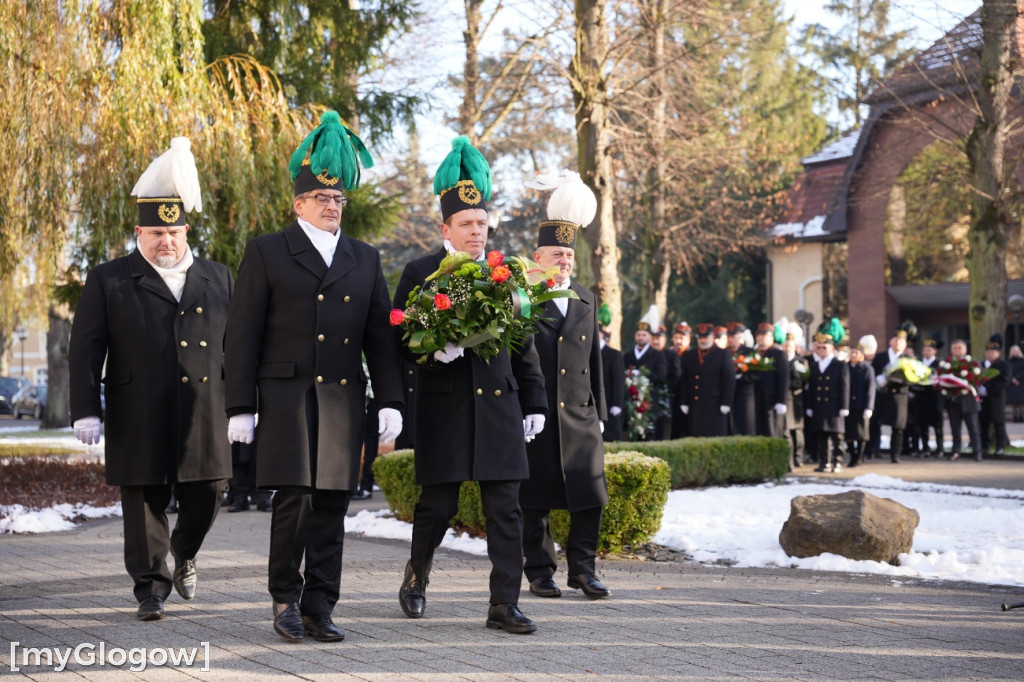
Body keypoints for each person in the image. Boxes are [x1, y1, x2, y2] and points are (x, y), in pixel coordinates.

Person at [225, 112, 404, 643]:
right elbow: (242, 333)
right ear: (298, 203)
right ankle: (285, 598)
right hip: (287, 396)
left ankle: (321, 605)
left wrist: (390, 399)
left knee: (332, 503)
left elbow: (381, 337)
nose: (331, 206)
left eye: (338, 199)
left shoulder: (364, 258)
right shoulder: (267, 251)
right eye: (321, 199)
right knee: (296, 500)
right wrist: (240, 405)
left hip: (344, 400)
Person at [69, 138, 232, 621]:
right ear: (139, 232)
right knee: (144, 500)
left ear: (186, 230)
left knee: (211, 492)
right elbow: (84, 349)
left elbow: (240, 347)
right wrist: (84, 409)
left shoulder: (219, 277)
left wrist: (247, 402)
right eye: (155, 232)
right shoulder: (109, 279)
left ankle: (185, 551)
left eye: (174, 231)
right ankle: (150, 588)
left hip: (206, 407)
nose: (166, 241)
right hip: (137, 406)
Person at [393, 137, 547, 634]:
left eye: (482, 224)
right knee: (437, 507)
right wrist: (436, 352)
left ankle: (504, 604)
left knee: (506, 510)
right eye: (467, 224)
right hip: (446, 409)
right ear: (446, 228)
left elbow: (523, 343)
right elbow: (402, 339)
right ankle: (416, 578)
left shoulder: (505, 272)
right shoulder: (420, 272)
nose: (477, 231)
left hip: (500, 408)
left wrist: (535, 400)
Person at [518, 170, 610, 601]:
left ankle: (584, 570)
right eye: (556, 254)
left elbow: (595, 360)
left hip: (580, 412)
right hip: (537, 415)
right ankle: (539, 571)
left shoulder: (588, 298)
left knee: (589, 495)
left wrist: (602, 412)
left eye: (569, 255)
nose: (564, 261)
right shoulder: (521, 296)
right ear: (538, 257)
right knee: (535, 500)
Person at [678, 324, 736, 437]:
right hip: (695, 404)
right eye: (700, 337)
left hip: (715, 405)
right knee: (695, 435)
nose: (703, 340)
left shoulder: (723, 354)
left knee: (715, 436)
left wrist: (726, 402)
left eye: (706, 337)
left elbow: (729, 380)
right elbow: (683, 380)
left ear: (713, 337)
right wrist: (683, 401)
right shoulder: (689, 355)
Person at [806, 327, 850, 473]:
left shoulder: (839, 365)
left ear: (832, 348)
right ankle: (824, 462)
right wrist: (810, 405)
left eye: (825, 347)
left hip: (834, 406)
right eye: (819, 347)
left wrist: (844, 406)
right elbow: (812, 387)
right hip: (820, 405)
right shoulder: (814, 365)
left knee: (837, 436)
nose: (822, 349)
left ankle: (837, 461)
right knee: (822, 436)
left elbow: (844, 386)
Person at [871, 326, 910, 463]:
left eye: (901, 341)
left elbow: (913, 377)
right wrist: (879, 379)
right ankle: (871, 451)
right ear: (890, 341)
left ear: (905, 344)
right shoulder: (881, 357)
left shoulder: (908, 359)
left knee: (898, 427)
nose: (898, 343)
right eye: (896, 340)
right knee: (875, 424)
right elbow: (873, 373)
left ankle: (895, 454)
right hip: (882, 394)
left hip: (899, 396)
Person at [944, 339, 982, 461]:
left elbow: (977, 380)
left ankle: (977, 452)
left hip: (969, 401)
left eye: (959, 348)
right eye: (955, 348)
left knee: (973, 428)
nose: (957, 351)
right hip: (953, 401)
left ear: (965, 350)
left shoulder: (973, 363)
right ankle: (956, 451)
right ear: (951, 350)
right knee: (955, 428)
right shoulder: (947, 364)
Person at [753, 322, 789, 438]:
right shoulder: (753, 354)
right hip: (755, 397)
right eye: (758, 335)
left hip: (771, 399)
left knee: (772, 431)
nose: (760, 338)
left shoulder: (779, 354)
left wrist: (781, 401)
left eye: (763, 335)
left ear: (771, 338)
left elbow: (783, 379)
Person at [912, 334, 945, 456]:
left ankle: (940, 448)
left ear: (935, 351)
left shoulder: (939, 364)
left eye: (929, 350)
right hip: (920, 398)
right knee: (922, 425)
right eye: (925, 349)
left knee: (937, 425)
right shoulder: (918, 363)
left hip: (934, 398)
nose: (927, 351)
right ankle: (925, 448)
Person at [844, 342, 875, 468]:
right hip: (848, 405)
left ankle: (859, 457)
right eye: (852, 352)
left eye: (856, 353)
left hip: (861, 405)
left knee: (862, 434)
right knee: (849, 434)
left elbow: (870, 389)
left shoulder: (867, 368)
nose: (853, 355)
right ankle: (852, 456)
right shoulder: (845, 367)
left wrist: (869, 407)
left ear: (862, 355)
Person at [979, 334, 1009, 456]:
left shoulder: (1004, 365)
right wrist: (980, 387)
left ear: (998, 353)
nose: (990, 354)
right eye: (988, 352)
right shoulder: (981, 365)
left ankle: (1000, 445)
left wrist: (988, 388)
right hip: (983, 399)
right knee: (983, 423)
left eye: (993, 352)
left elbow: (1004, 381)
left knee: (998, 423)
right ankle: (984, 445)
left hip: (997, 398)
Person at [599, 309, 626, 442]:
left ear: (601, 334)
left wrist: (617, 403)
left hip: (609, 404)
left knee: (610, 438)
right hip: (593, 405)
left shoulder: (614, 354)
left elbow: (619, 381)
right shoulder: (586, 352)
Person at [726, 323, 757, 435]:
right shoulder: (724, 352)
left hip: (745, 395)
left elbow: (756, 374)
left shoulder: (749, 352)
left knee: (746, 426)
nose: (730, 339)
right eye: (728, 336)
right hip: (729, 395)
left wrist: (742, 377)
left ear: (739, 336)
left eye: (733, 336)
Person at [782, 334, 807, 468]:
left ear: (794, 347)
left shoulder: (800, 361)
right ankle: (789, 460)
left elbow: (801, 381)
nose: (786, 348)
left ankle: (798, 458)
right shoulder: (780, 360)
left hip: (796, 400)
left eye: (789, 345)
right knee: (786, 430)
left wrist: (784, 384)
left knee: (797, 431)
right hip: (785, 400)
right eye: (785, 345)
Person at [670, 322, 692, 438]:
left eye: (681, 338)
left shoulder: (692, 355)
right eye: (676, 338)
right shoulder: (669, 353)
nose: (678, 341)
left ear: (688, 339)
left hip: (686, 396)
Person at [1008, 344, 1024, 422]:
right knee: (1013, 401)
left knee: (1021, 401)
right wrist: (1012, 379)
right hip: (1012, 383)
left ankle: (1021, 417)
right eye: (1013, 351)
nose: (1014, 352)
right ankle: (1015, 417)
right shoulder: (1009, 361)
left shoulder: (1022, 361)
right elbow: (1008, 371)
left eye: (1015, 351)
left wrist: (1018, 378)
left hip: (1021, 383)